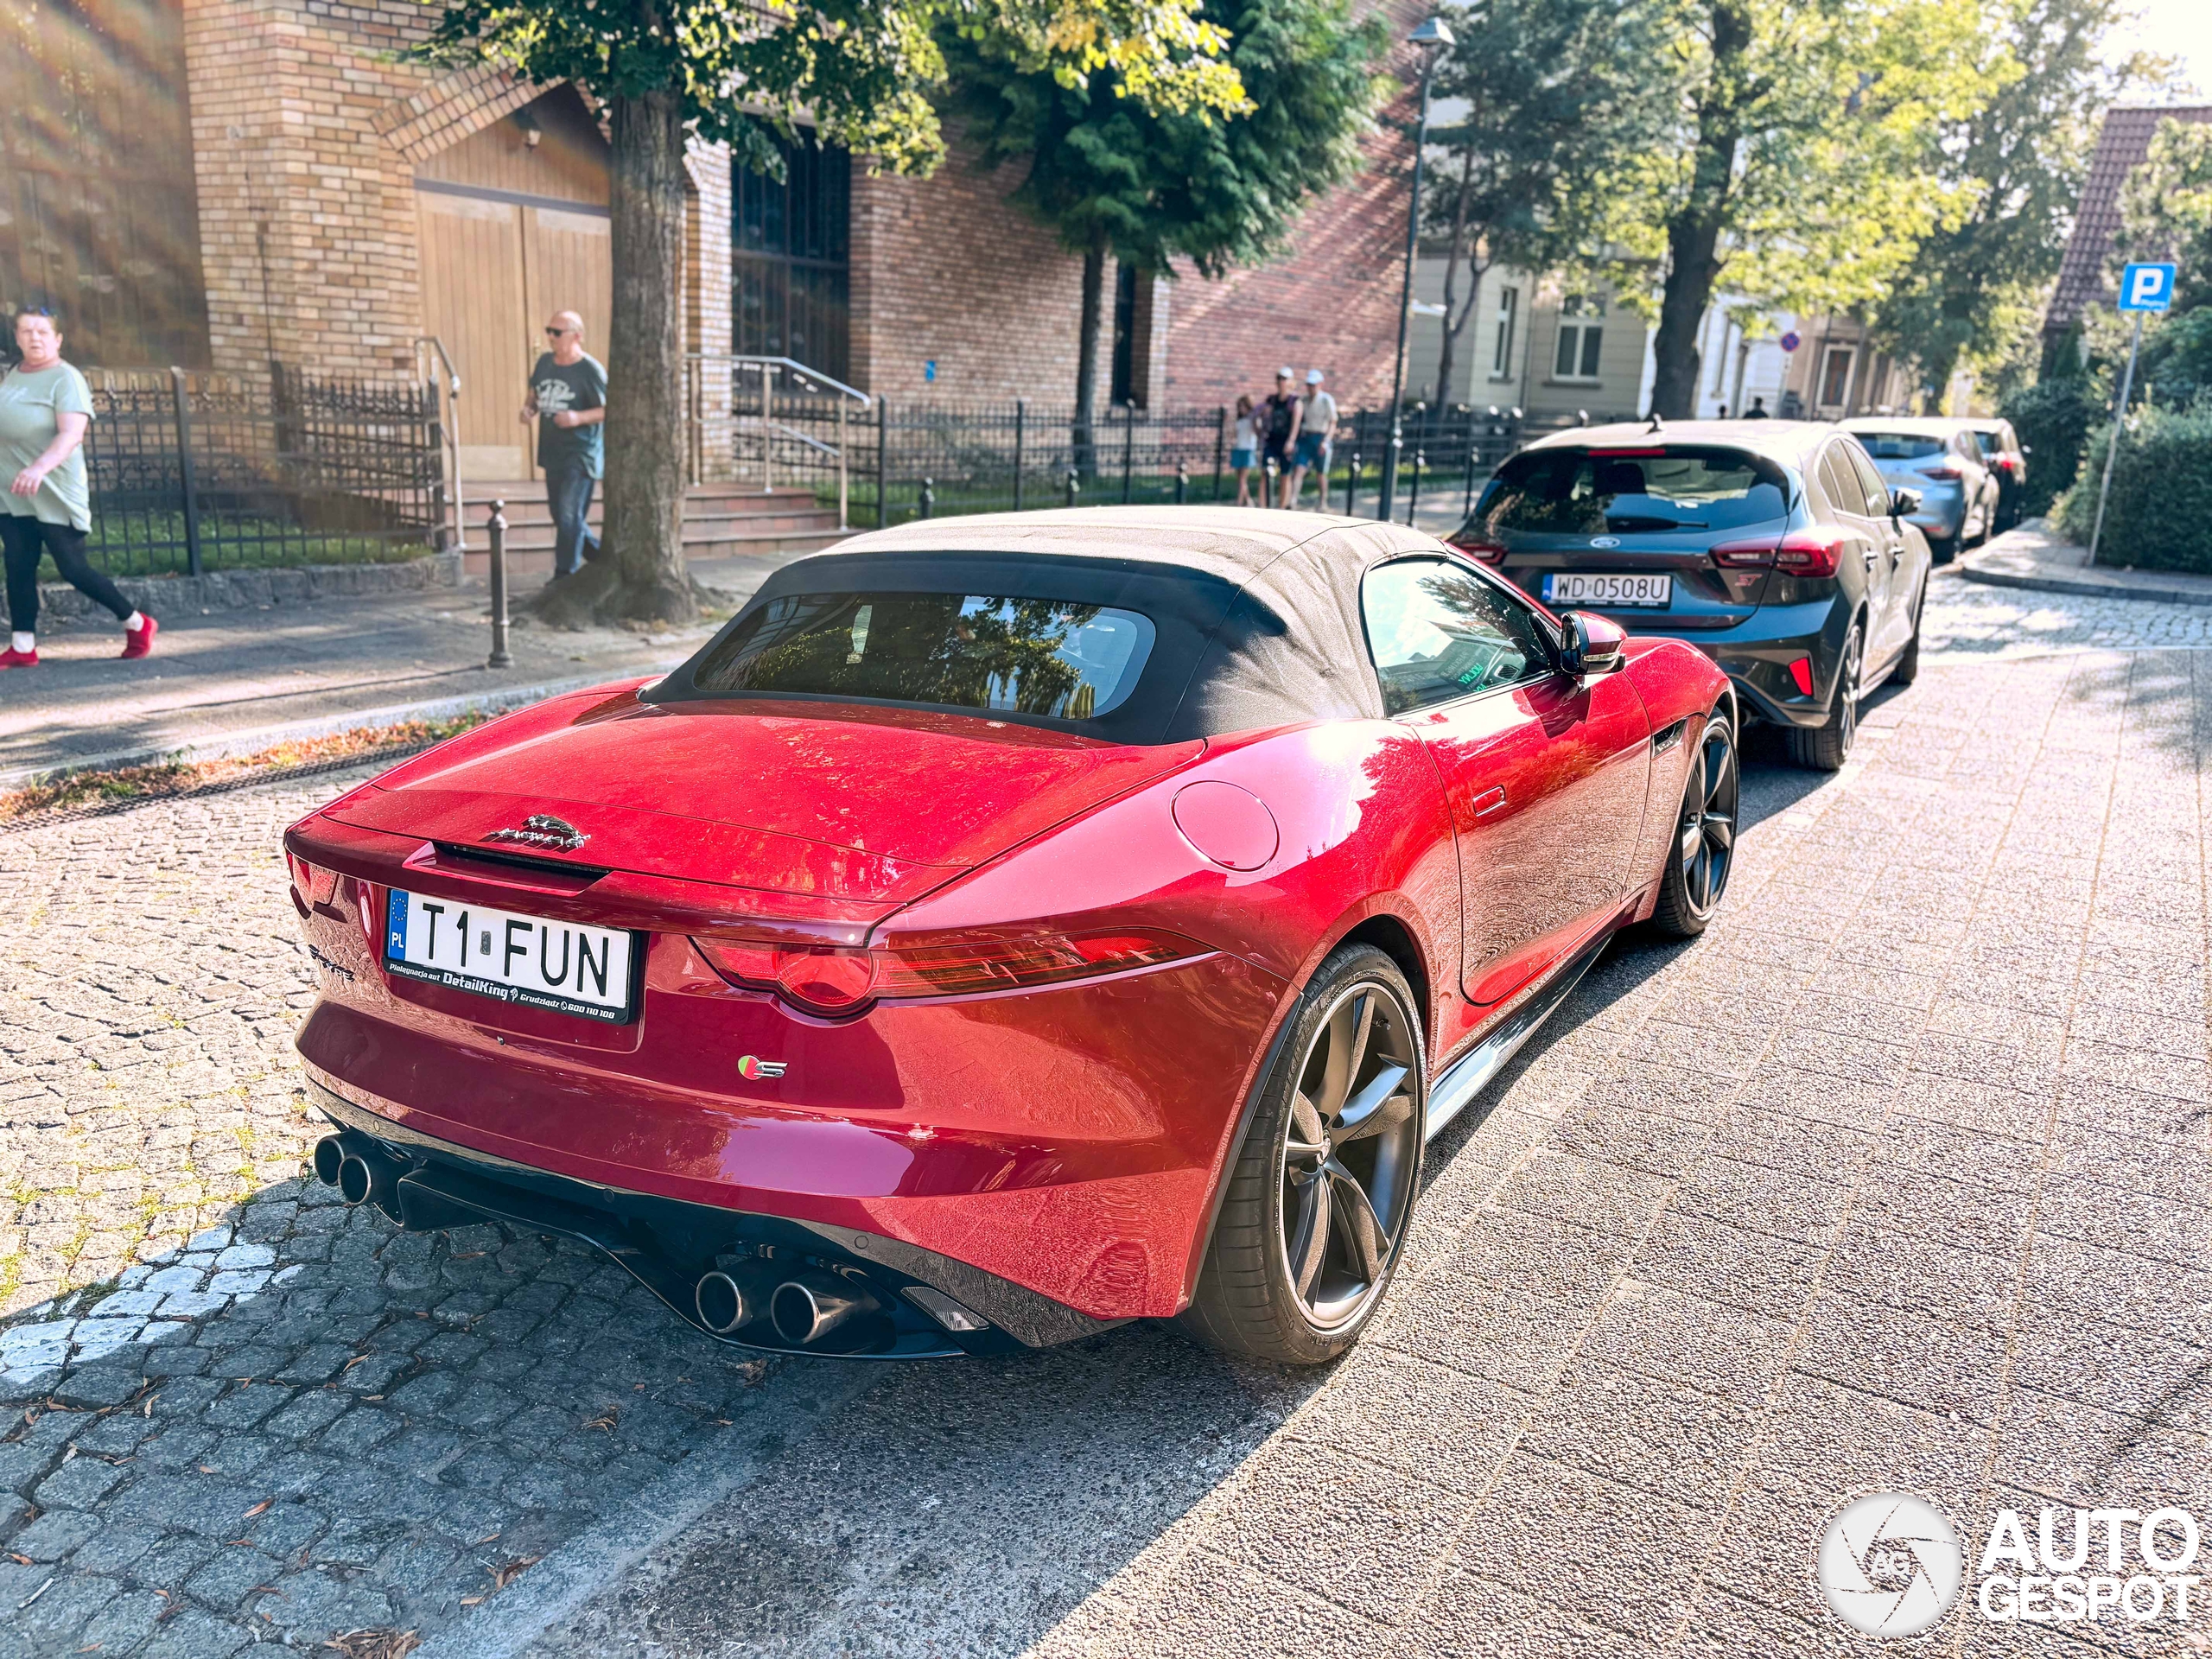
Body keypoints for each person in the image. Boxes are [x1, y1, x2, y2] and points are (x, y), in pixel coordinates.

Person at [1, 306, 153, 668]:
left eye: (41, 332)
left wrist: (39, 468)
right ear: (17, 337)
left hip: (52, 487)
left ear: (57, 339)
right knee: (19, 565)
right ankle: (23, 646)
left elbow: (71, 434)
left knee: (73, 568)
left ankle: (137, 622)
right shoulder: (14, 374)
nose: (34, 338)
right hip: (13, 488)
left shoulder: (65, 379)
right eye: (26, 331)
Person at [521, 310, 607, 578]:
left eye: (557, 333)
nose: (550, 337)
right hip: (552, 451)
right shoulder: (545, 362)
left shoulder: (589, 370)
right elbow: (534, 394)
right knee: (560, 516)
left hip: (581, 453)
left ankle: (564, 575)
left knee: (570, 516)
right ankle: (600, 558)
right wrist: (527, 410)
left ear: (577, 336)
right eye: (549, 331)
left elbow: (609, 410)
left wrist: (577, 417)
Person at [1286, 369, 1337, 509]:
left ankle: (1323, 502)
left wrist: (1326, 441)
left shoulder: (1327, 400)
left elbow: (1333, 422)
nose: (1311, 388)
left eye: (1313, 385)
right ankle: (1293, 500)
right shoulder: (1303, 400)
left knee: (1321, 473)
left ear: (1320, 384)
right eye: (1309, 385)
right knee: (1299, 469)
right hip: (1306, 437)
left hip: (1321, 438)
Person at [1259, 369, 1300, 505]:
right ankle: (1262, 506)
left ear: (1291, 381)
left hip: (1286, 441)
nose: (1281, 381)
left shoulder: (1295, 401)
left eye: (1284, 378)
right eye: (1279, 378)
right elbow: (1259, 415)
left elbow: (1296, 423)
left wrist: (1291, 441)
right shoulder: (1271, 400)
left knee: (1285, 475)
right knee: (1265, 472)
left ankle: (1282, 507)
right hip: (1272, 439)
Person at [1230, 395, 1259, 507]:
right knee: (1240, 479)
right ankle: (1249, 500)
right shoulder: (1240, 421)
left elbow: (1256, 431)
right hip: (1239, 449)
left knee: (1243, 478)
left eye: (1243, 406)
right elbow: (1234, 434)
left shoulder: (1253, 419)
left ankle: (1239, 502)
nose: (1241, 409)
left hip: (1248, 450)